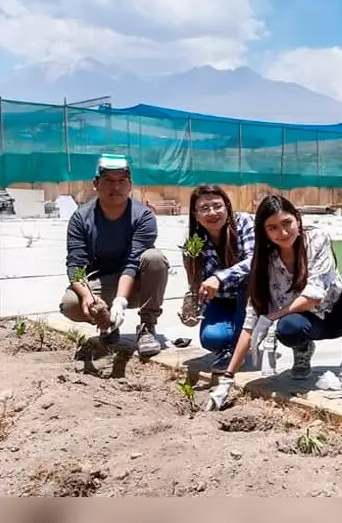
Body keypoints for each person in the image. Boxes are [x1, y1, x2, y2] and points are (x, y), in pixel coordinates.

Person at [216, 194, 342, 394]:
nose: (282, 232)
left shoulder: (316, 239)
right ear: (264, 232)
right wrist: (228, 377)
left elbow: (314, 296)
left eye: (286, 223)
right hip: (308, 321)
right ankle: (302, 349)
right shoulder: (265, 260)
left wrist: (271, 318)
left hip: (337, 315)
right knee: (288, 328)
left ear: (297, 218)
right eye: (272, 228)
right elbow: (252, 319)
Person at [60, 154, 169, 358]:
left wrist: (120, 301)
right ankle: (105, 323)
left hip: (137, 284)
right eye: (108, 180)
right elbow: (75, 265)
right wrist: (87, 297)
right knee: (71, 304)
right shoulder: (81, 218)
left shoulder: (143, 216)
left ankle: (147, 326)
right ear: (96, 184)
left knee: (155, 259)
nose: (116, 187)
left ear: (130, 185)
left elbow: (133, 261)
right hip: (101, 283)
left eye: (122, 181)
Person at [182, 185, 255, 374]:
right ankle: (237, 341)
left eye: (217, 206)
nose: (212, 213)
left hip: (250, 298)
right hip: (221, 300)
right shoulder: (193, 242)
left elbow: (255, 261)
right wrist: (193, 308)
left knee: (249, 280)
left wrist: (219, 277)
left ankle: (240, 346)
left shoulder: (244, 222)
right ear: (195, 214)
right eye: (204, 208)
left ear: (227, 207)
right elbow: (196, 283)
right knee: (211, 339)